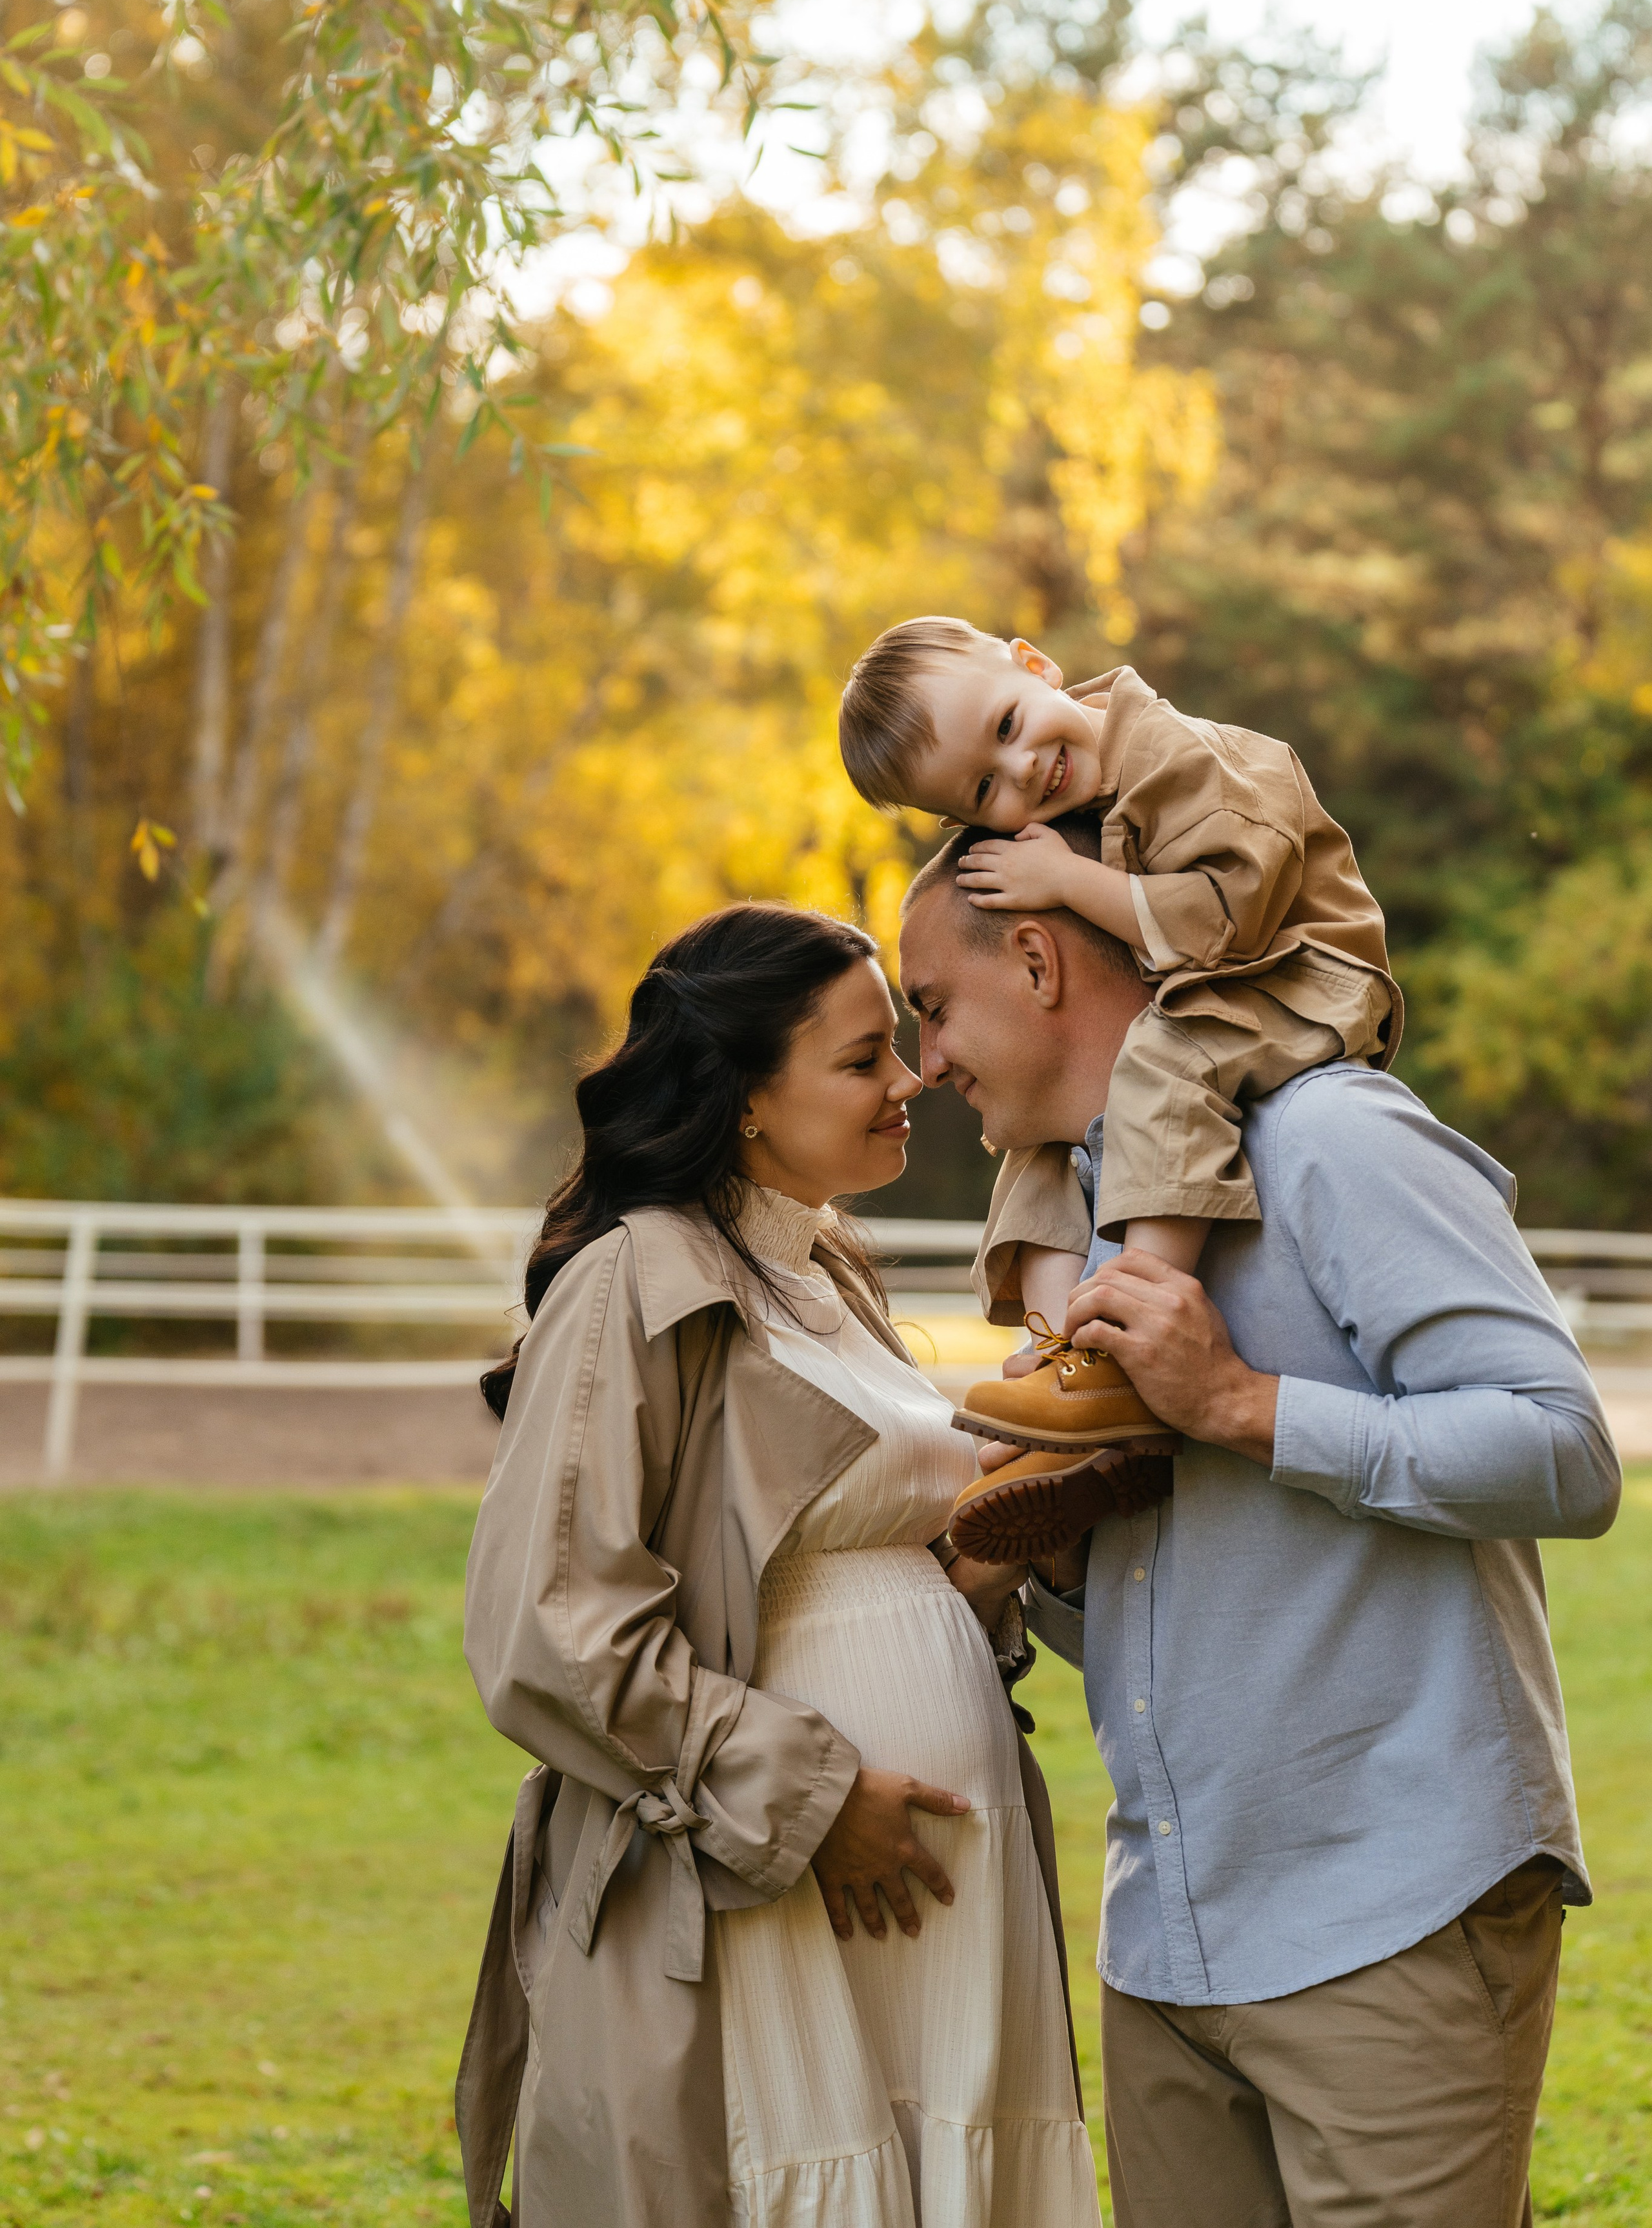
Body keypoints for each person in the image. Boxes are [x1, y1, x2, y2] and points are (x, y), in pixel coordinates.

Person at [896, 826, 1622, 2228]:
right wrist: (1039, 1559)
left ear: (1037, 958)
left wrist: (1238, 1403)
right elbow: (1173, 1589)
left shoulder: (1331, 1138)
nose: (926, 1061)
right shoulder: (1078, 1230)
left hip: (1390, 1915)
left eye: (931, 1006)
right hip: (1168, 1939)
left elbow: (1563, 1449)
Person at [456, 904, 1100, 2228]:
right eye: (862, 1059)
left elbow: (853, 1567)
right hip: (768, 1879)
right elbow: (550, 1624)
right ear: (749, 1096)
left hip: (934, 1892)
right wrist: (807, 1800)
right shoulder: (634, 1281)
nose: (908, 1079)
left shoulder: (820, 1270)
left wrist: (999, 1532)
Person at [838, 619, 1398, 1463]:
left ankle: (1134, 1323)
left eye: (1007, 725)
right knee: (1039, 1137)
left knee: (1167, 1060)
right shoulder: (1067, 800)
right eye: (985, 789)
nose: (1024, 767)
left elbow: (1224, 925)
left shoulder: (1191, 760)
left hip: (1298, 972)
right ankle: (1069, 1361)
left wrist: (1067, 879)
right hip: (1206, 985)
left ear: (1035, 664)